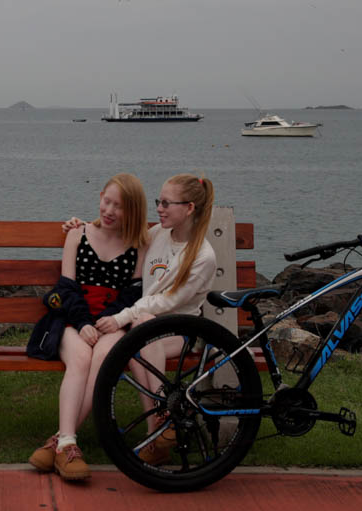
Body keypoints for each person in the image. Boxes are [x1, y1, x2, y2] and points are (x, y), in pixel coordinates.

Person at [67, 172, 219, 466]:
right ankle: (159, 431)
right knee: (139, 339)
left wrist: (122, 316)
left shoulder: (202, 256)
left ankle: (164, 410)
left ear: (189, 208)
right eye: (158, 201)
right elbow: (119, 233)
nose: (159, 209)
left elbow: (167, 302)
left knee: (142, 329)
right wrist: (82, 227)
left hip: (181, 330)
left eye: (167, 204)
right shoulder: (158, 235)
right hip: (145, 326)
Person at [27, 173, 148, 481]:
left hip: (112, 322)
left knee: (103, 358)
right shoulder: (78, 233)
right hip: (71, 318)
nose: (109, 211)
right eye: (106, 201)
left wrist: (111, 320)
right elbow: (66, 288)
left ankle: (60, 442)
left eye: (119, 207)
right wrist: (82, 324)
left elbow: (132, 293)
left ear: (132, 210)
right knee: (80, 358)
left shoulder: (139, 244)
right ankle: (68, 445)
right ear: (99, 197)